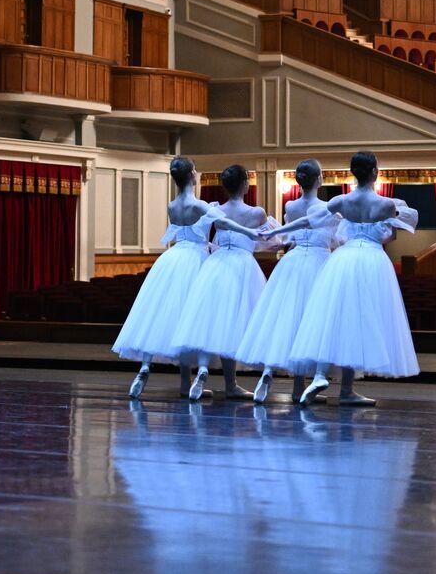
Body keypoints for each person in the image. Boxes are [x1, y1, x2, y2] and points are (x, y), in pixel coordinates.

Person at [271, 151, 420, 406]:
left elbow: (309, 220)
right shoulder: (385, 204)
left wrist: (277, 230)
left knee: (335, 317)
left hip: (345, 258)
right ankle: (347, 389)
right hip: (372, 260)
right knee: (358, 320)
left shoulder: (341, 200)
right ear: (374, 172)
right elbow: (403, 224)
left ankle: (320, 373)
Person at [113, 157, 262, 400]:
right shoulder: (200, 205)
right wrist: (248, 231)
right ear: (193, 175)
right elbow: (223, 222)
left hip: (173, 258)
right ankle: (207, 372)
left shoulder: (172, 205)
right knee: (198, 318)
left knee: (173, 316)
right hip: (197, 260)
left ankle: (151, 370)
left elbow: (188, 229)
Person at [166, 165, 275, 401]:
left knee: (213, 320)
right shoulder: (256, 213)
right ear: (246, 184)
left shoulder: (215, 208)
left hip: (216, 265)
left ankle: (201, 371)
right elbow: (261, 242)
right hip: (242, 265)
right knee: (235, 322)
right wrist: (273, 241)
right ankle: (231, 383)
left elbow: (218, 237)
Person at [235, 159, 340, 404]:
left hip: (292, 262)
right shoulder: (328, 207)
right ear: (319, 180)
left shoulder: (291, 206)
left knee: (289, 320)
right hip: (319, 262)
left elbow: (290, 233)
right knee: (313, 322)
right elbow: (333, 238)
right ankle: (312, 381)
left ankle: (290, 384)